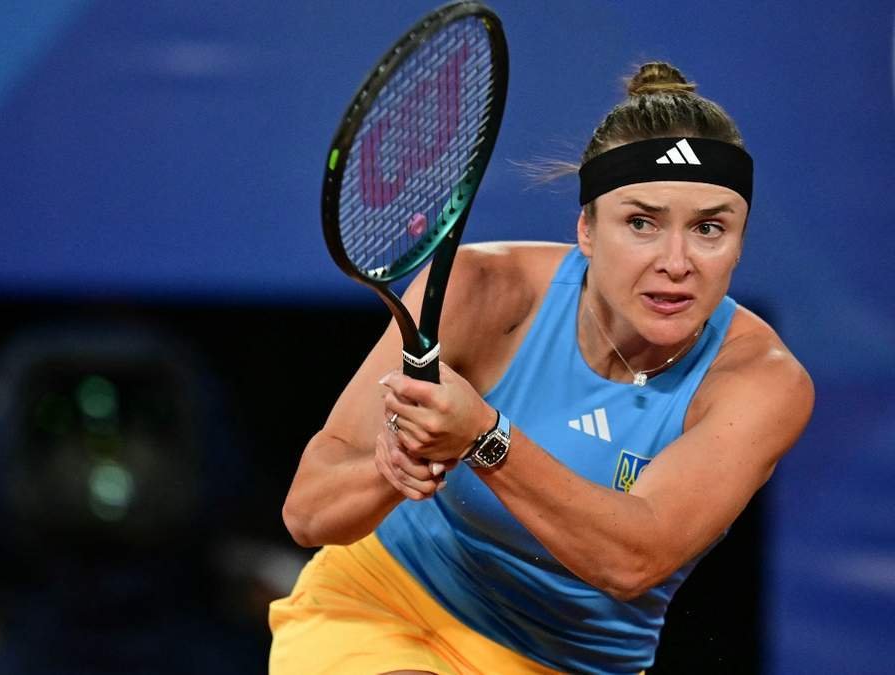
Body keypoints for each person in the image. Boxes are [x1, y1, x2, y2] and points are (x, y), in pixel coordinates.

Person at [269, 62, 814, 674]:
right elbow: (308, 514)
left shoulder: (762, 382)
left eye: (709, 228)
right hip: (385, 609)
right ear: (587, 230)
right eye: (641, 222)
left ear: (739, 243)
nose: (676, 261)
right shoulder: (483, 289)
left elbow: (633, 561)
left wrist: (482, 436)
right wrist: (395, 464)